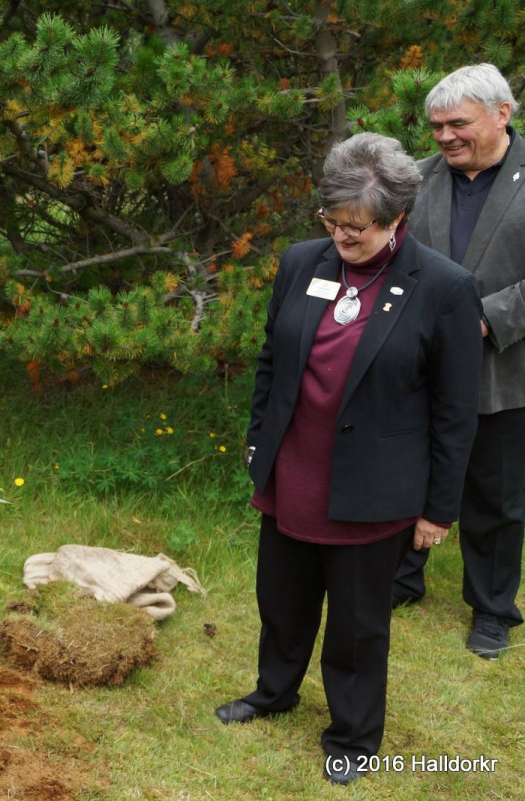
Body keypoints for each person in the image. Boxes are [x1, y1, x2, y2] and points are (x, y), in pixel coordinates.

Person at [215, 133, 482, 785]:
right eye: (332, 221)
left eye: (356, 227)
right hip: (293, 472)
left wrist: (438, 508)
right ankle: (274, 691)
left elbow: (455, 411)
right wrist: (259, 444)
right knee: (282, 599)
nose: (341, 236)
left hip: (374, 490)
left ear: (396, 221)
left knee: (359, 625)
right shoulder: (301, 263)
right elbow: (272, 363)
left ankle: (354, 735)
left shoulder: (445, 289)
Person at [391, 63, 525, 661]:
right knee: (405, 474)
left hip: (506, 367)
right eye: (437, 126)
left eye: (457, 124)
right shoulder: (416, 181)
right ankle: (399, 580)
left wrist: (484, 318)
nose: (444, 136)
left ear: (503, 114)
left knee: (496, 497)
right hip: (417, 369)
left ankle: (493, 609)